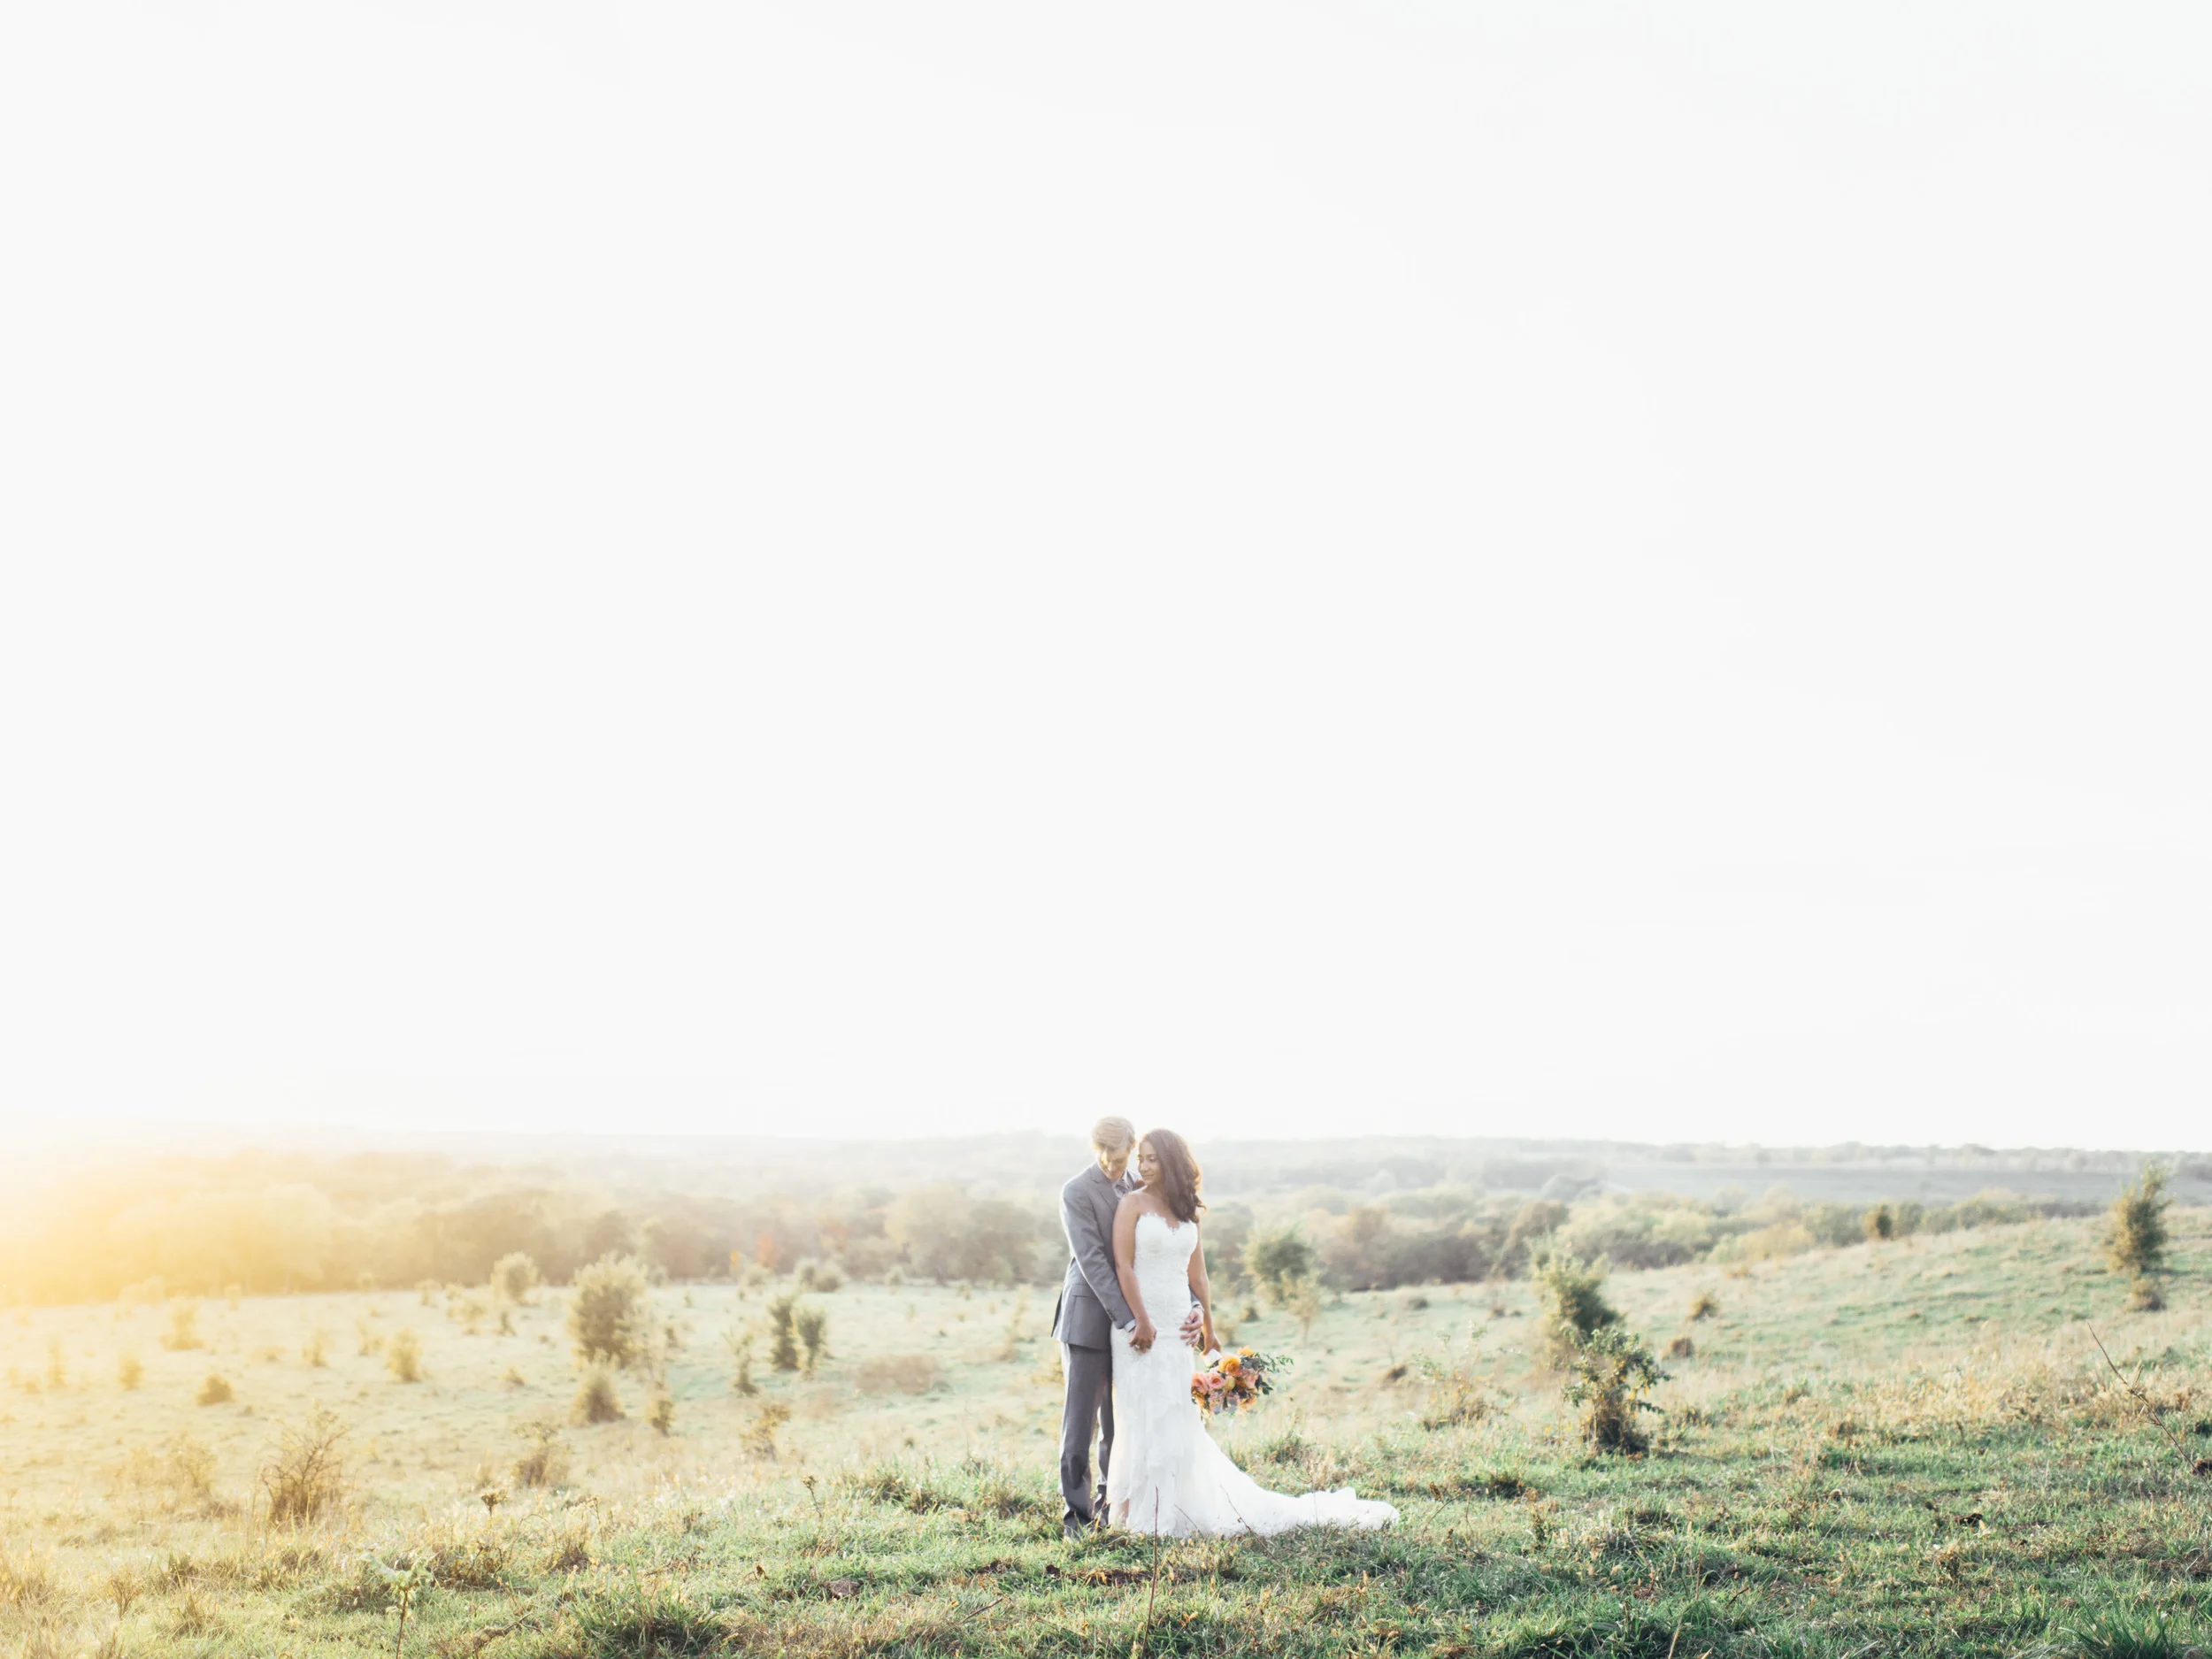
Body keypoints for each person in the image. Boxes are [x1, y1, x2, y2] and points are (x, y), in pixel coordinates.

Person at [1103, 1128, 1399, 1537]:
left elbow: (1199, 1274)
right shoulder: (1131, 1204)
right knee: (1141, 1415)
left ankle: (1175, 1509)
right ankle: (1136, 1514)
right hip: (1141, 1332)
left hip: (1180, 1330)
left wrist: (1208, 1326)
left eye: (1153, 1159)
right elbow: (1123, 1266)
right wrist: (1143, 1320)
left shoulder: (1188, 1210)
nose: (1144, 1166)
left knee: (1176, 1418)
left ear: (1172, 1161)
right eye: (1142, 1159)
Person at [1052, 1116, 1202, 1539]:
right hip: (1091, 1319)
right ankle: (1077, 1518)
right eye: (1108, 1160)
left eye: (1122, 1159)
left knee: (1124, 1421)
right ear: (1093, 1148)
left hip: (1140, 1324)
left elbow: (1166, 1259)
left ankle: (1110, 1504)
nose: (1116, 1168)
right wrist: (1133, 1319)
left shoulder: (1142, 1182)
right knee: (1081, 1423)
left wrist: (1190, 1306)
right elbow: (1094, 1262)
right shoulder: (1076, 1191)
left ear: (1133, 1148)